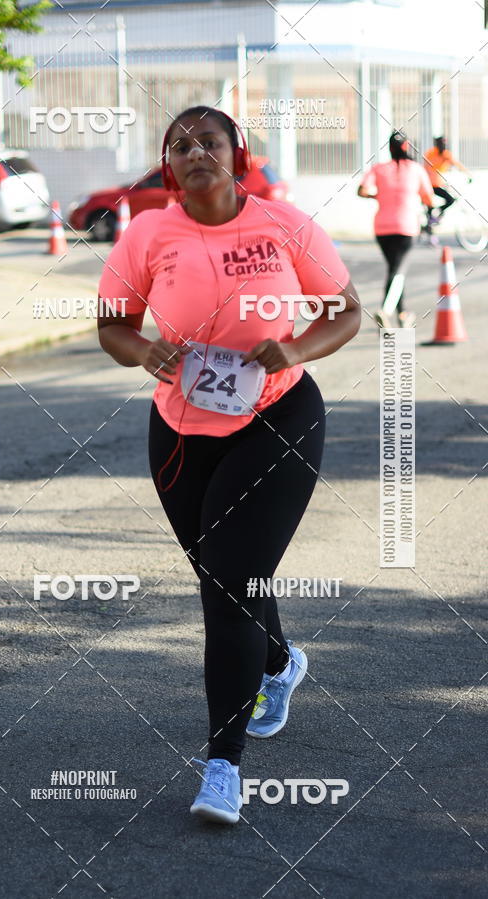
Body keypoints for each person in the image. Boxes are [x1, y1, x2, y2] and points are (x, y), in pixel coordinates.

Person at [97, 105, 360, 825]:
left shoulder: (284, 224)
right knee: (223, 574)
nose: (194, 153)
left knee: (227, 590)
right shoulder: (149, 232)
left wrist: (298, 349)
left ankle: (222, 765)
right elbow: (113, 325)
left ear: (236, 153)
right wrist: (144, 350)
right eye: (179, 146)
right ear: (168, 165)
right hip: (181, 431)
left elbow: (346, 309)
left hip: (278, 418)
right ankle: (279, 661)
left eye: (208, 141)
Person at [358, 131, 434, 329]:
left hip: (382, 227)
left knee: (395, 269)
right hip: (407, 227)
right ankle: (386, 310)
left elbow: (362, 190)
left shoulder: (379, 168)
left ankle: (402, 314)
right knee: (397, 270)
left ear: (389, 149)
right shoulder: (416, 169)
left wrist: (378, 196)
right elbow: (430, 199)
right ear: (407, 147)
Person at [423, 136, 472, 239]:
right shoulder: (431, 153)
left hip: (437, 183)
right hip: (430, 184)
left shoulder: (446, 155)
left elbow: (457, 164)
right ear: (437, 145)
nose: (443, 146)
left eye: (444, 144)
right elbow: (426, 168)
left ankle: (434, 218)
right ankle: (432, 222)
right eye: (441, 144)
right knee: (446, 201)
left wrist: (467, 174)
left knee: (449, 200)